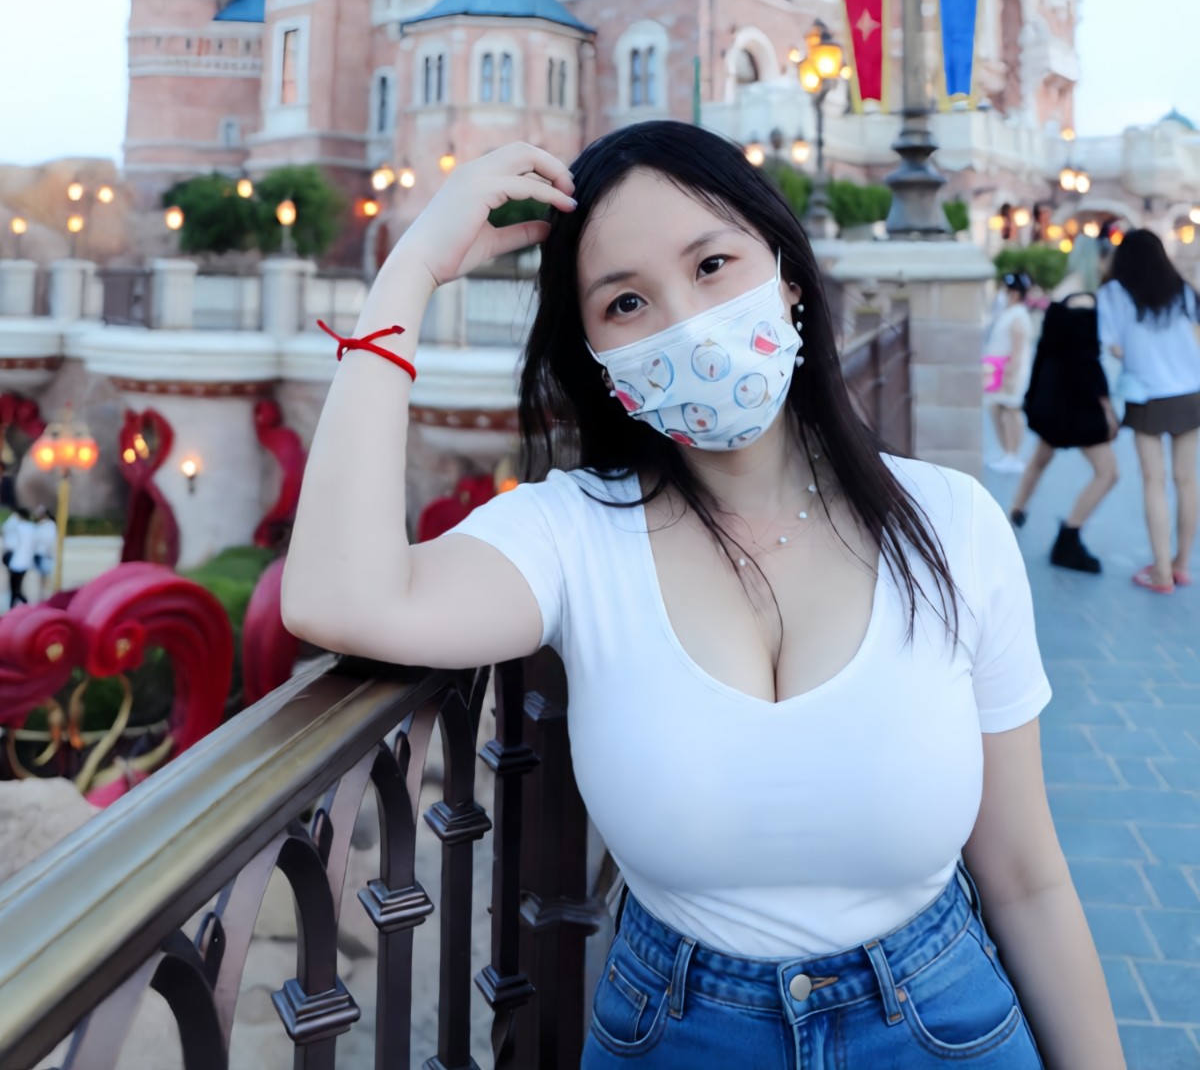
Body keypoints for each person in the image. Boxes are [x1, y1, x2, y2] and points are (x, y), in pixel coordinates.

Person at [282, 126, 1122, 1068]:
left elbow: (1027, 878)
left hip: (944, 1023)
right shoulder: (573, 535)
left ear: (787, 275)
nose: (685, 324)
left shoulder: (952, 525)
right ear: (597, 357)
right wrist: (411, 269)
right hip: (680, 1030)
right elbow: (338, 596)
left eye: (713, 265)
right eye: (626, 301)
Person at [1098, 227, 1200, 593]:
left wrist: (1137, 351)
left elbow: (1111, 345)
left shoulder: (1113, 292)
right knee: (1187, 480)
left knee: (1154, 482)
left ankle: (1161, 573)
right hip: (1190, 391)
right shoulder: (1182, 289)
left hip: (1146, 394)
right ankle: (1181, 565)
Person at [1010, 241, 1120, 573]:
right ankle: (1069, 538)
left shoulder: (1059, 294)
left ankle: (1016, 511)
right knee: (1108, 473)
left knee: (1041, 457)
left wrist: (1033, 397)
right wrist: (1106, 407)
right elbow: (1088, 363)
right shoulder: (1085, 301)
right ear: (1097, 260)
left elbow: (1044, 352)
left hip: (1052, 398)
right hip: (1076, 403)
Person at [982, 272, 1034, 473]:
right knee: (996, 408)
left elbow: (1018, 346)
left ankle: (1013, 455)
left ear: (1014, 293)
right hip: (997, 370)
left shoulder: (1018, 315)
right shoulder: (1008, 312)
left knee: (1011, 411)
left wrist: (1011, 374)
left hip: (1009, 371)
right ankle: (1007, 453)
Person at [2, 506, 36, 608]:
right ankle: (21, 605)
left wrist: (13, 518)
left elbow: (8, 537)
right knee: (17, 587)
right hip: (26, 561)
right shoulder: (32, 527)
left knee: (15, 588)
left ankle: (20, 605)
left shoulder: (17, 527)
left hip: (16, 561)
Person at [31, 504, 58, 597]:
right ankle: (42, 595)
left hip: (45, 554)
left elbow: (49, 541)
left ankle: (45, 596)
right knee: (41, 579)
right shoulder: (40, 525)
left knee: (46, 579)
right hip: (39, 554)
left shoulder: (49, 525)